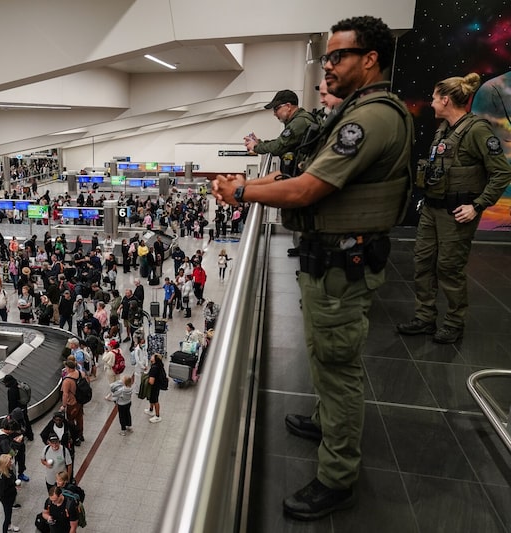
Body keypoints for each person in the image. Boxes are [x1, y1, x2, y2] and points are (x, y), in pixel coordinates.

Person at [213, 15, 414, 520]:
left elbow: (307, 189)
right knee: (328, 360)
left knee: (338, 368)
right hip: (334, 261)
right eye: (326, 56)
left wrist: (242, 190)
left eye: (338, 55)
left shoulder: (368, 118)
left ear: (370, 59)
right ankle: (328, 421)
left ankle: (337, 476)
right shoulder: (363, 111)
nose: (328, 65)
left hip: (342, 267)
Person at [396, 72, 511, 344]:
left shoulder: (477, 130)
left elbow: (502, 172)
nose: (431, 102)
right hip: (432, 210)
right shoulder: (444, 130)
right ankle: (424, 318)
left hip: (457, 214)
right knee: (423, 263)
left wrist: (477, 206)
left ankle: (453, 323)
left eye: (435, 98)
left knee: (449, 268)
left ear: (446, 100)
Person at [244, 88, 319, 176]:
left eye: (276, 109)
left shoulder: (299, 122)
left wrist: (256, 146)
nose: (275, 113)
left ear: (288, 106)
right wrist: (259, 143)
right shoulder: (299, 120)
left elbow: (278, 147)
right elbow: (281, 142)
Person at [60, 360, 85, 445]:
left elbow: (65, 394)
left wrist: (63, 405)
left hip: (72, 403)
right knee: (80, 418)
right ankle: (81, 435)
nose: (65, 369)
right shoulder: (81, 373)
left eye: (66, 367)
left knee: (70, 421)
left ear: (69, 368)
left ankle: (76, 438)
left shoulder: (67, 380)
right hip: (80, 401)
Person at [0, 454, 20, 533]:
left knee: (9, 513)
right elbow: (3, 492)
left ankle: (9, 525)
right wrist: (14, 487)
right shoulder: (2, 477)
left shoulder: (9, 469)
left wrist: (15, 484)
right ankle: (5, 529)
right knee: (7, 516)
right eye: (10, 461)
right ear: (5, 464)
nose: (11, 462)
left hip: (11, 496)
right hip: (6, 499)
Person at [144, 353, 166, 423]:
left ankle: (157, 416)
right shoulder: (158, 366)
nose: (151, 357)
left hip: (154, 387)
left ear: (155, 359)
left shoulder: (154, 368)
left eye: (153, 356)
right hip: (157, 385)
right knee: (151, 398)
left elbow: (151, 381)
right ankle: (150, 410)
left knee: (155, 400)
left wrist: (146, 380)